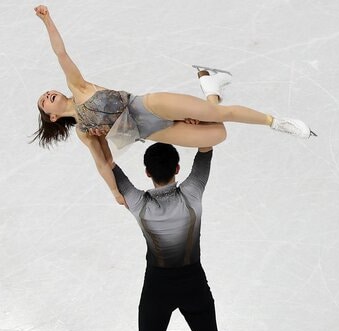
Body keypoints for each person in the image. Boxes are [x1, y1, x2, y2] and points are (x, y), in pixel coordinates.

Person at [30, 4, 316, 206]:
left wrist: (47, 21)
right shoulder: (84, 132)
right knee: (217, 134)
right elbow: (103, 163)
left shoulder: (78, 87)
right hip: (153, 132)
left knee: (219, 114)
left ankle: (275, 122)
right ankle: (210, 85)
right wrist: (115, 193)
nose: (47, 95)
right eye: (43, 102)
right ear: (52, 117)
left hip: (151, 106)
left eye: (46, 93)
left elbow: (61, 53)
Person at [108, 83, 240, 331]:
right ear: (178, 167)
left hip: (157, 288)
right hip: (195, 283)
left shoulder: (138, 203)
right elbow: (207, 147)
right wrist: (202, 113)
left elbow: (109, 167)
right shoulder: (193, 192)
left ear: (147, 173)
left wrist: (97, 136)